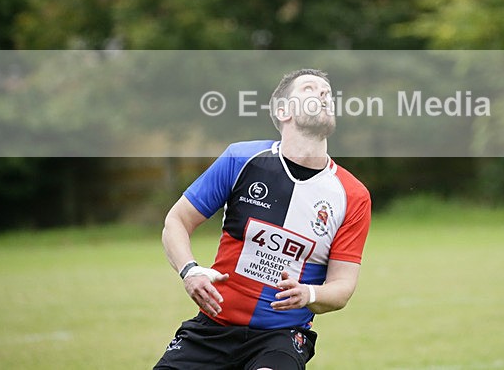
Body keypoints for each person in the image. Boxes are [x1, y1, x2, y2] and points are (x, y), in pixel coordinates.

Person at [154, 69, 372, 370]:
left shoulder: (352, 195)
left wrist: (309, 293)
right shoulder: (242, 159)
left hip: (281, 337)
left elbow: (342, 287)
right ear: (283, 111)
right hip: (213, 328)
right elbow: (177, 221)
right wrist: (189, 271)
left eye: (327, 93)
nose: (323, 95)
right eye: (310, 89)